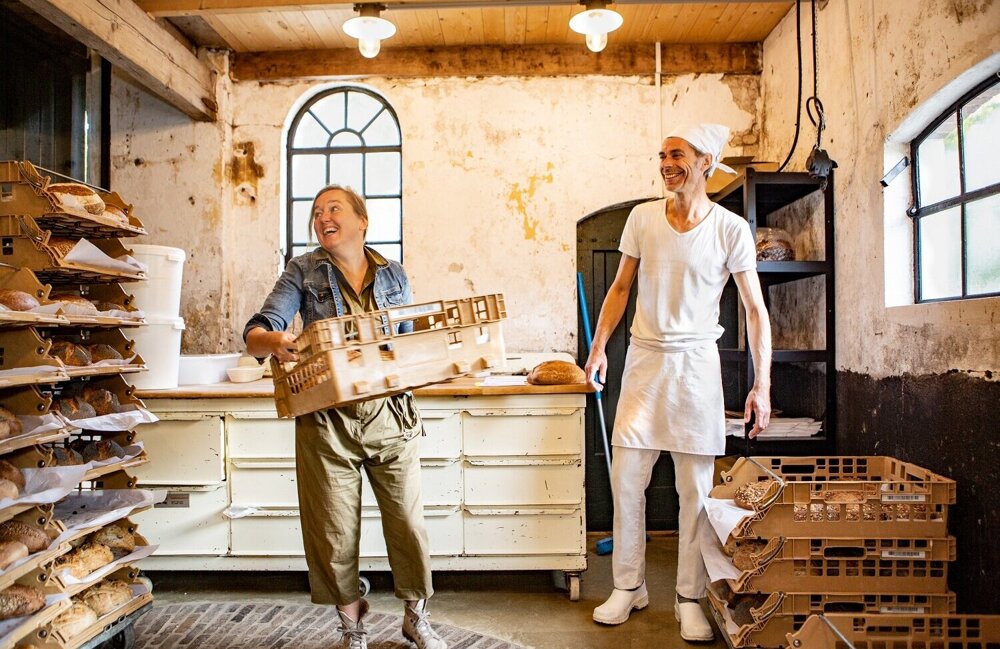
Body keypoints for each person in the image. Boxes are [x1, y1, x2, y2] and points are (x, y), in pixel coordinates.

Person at [585, 124, 772, 642]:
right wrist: (599, 348)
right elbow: (621, 288)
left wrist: (763, 385)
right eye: (662, 154)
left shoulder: (730, 228)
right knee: (627, 481)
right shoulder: (643, 218)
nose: (666, 163)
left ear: (706, 160)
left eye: (677, 154)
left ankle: (687, 597)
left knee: (694, 489)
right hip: (645, 364)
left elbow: (755, 311)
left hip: (695, 368)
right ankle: (628, 587)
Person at [244, 185, 446, 649]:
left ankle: (416, 616)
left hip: (391, 416)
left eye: (333, 209)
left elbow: (410, 343)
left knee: (408, 525)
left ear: (362, 220)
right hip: (326, 423)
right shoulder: (302, 270)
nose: (322, 218)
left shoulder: (394, 275)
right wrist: (275, 342)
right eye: (316, 213)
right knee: (333, 532)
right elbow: (258, 331)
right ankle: (352, 626)